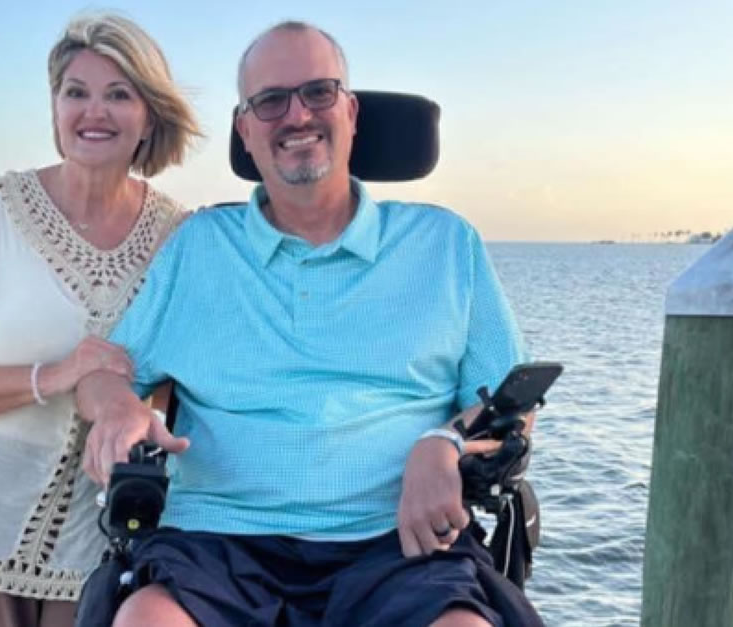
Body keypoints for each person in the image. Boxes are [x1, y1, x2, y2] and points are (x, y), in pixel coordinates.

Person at [75, 20, 542, 627]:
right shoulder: (201, 247)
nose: (297, 116)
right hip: (217, 540)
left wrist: (444, 443)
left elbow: (512, 406)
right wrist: (114, 404)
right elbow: (104, 370)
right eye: (270, 101)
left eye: (318, 93)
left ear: (350, 111)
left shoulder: (444, 243)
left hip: (400, 543)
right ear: (246, 129)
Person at [0, 13, 200, 627]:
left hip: (105, 520)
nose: (93, 112)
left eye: (118, 94)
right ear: (54, 107)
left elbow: (178, 387)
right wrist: (61, 372)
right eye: (77, 92)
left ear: (148, 115)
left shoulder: (180, 236)